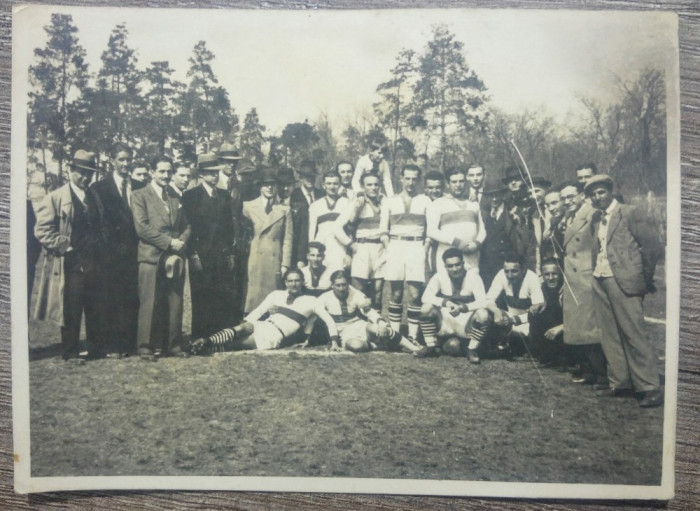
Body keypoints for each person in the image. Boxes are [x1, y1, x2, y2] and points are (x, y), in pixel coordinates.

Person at [586, 175, 664, 407]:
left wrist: (642, 277)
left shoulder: (630, 213)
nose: (597, 197)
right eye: (592, 194)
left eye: (601, 192)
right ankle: (621, 382)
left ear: (610, 191)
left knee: (633, 333)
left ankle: (649, 386)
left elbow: (652, 247)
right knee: (610, 334)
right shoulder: (595, 219)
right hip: (601, 278)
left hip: (624, 281)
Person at [34, 150, 105, 363]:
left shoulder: (94, 196)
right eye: (81, 173)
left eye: (89, 174)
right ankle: (71, 351)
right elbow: (42, 230)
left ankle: (95, 348)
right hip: (71, 263)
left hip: (94, 260)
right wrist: (65, 246)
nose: (86, 178)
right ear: (71, 171)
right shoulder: (56, 198)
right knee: (71, 308)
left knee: (94, 306)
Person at [189, 268, 340, 354]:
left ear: (302, 282)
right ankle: (205, 341)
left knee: (234, 344)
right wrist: (263, 315)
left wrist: (334, 342)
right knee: (242, 328)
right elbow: (258, 311)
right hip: (263, 324)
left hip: (274, 335)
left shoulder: (311, 301)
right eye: (290, 281)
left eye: (297, 280)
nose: (294, 284)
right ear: (285, 283)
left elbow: (328, 320)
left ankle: (200, 348)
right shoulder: (276, 294)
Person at [132, 156, 191, 361]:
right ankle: (145, 346)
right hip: (151, 256)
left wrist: (181, 242)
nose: (165, 175)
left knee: (175, 301)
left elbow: (186, 225)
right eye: (161, 171)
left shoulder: (175, 197)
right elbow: (142, 228)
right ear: (152, 172)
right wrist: (168, 242)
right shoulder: (139, 195)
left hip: (174, 258)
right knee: (149, 302)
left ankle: (173, 344)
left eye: (168, 171)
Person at [90, 143, 139, 357]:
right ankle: (111, 346)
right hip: (111, 254)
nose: (125, 164)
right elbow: (99, 223)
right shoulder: (100, 188)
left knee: (131, 299)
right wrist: (113, 247)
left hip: (136, 253)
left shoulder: (139, 185)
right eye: (121, 159)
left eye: (128, 159)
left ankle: (128, 343)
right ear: (113, 161)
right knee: (111, 299)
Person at [181, 153, 235, 339]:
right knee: (201, 296)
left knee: (220, 295)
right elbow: (188, 227)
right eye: (209, 173)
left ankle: (217, 337)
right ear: (201, 174)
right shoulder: (190, 196)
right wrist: (192, 254)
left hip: (220, 255)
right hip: (200, 256)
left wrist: (228, 253)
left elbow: (229, 228)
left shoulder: (224, 196)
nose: (214, 176)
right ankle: (200, 337)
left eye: (216, 172)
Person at [561, 174, 607, 386]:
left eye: (571, 196)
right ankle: (589, 369)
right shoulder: (570, 215)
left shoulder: (592, 213)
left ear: (581, 196)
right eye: (564, 198)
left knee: (591, 327)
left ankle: (601, 373)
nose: (567, 201)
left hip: (586, 274)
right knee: (579, 327)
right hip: (573, 276)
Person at [385, 164, 431, 344]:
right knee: (396, 294)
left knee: (414, 294)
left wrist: (424, 249)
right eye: (407, 178)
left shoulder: (425, 200)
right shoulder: (390, 200)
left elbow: (430, 230)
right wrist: (390, 249)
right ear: (401, 178)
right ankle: (395, 336)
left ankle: (412, 336)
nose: (411, 182)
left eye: (414, 179)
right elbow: (383, 231)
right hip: (395, 245)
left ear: (418, 180)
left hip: (416, 246)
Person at [318, 270, 419, 353]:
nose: (341, 288)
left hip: (359, 325)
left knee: (377, 328)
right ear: (332, 285)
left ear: (348, 284)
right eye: (338, 285)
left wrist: (382, 323)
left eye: (344, 285)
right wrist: (334, 341)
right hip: (343, 332)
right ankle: (378, 345)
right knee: (356, 346)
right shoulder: (324, 298)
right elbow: (323, 318)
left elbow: (369, 312)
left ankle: (414, 348)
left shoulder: (356, 294)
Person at [418, 248, 491, 361]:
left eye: (457, 265)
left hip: (466, 322)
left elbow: (483, 301)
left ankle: (472, 349)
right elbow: (425, 297)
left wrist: (463, 307)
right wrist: (446, 302)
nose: (455, 269)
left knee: (483, 314)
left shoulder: (473, 276)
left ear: (463, 263)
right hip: (446, 321)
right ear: (445, 267)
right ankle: (431, 346)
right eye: (450, 266)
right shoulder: (439, 276)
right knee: (426, 308)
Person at [335, 172, 388, 312]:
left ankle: (377, 326)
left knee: (378, 293)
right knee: (358, 290)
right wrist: (350, 244)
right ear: (363, 187)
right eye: (369, 185)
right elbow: (337, 227)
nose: (373, 188)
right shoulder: (357, 204)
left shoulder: (385, 203)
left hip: (380, 249)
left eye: (376, 184)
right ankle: (357, 323)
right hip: (362, 248)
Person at [242, 167, 293, 312]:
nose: (270, 188)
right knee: (253, 300)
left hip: (274, 261)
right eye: (266, 184)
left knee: (272, 302)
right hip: (254, 260)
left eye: (273, 184)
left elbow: (288, 240)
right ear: (259, 187)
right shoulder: (248, 207)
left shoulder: (284, 209)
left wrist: (285, 264)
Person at [485, 253, 545, 358]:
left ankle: (512, 347)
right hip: (509, 320)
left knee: (531, 335)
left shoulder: (532, 278)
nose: (509, 275)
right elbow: (489, 299)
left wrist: (514, 320)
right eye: (506, 271)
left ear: (523, 270)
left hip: (527, 323)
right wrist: (496, 312)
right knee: (486, 314)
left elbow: (538, 309)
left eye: (514, 271)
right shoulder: (501, 275)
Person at [426, 167, 485, 274]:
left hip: (471, 256)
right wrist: (457, 242)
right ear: (448, 184)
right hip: (448, 256)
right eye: (454, 182)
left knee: (470, 288)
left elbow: (482, 230)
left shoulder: (474, 204)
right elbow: (431, 231)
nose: (458, 185)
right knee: (448, 289)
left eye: (461, 181)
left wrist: (476, 244)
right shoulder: (438, 204)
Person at [479, 178, 528, 290]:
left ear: (502, 194)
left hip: (507, 263)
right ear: (486, 197)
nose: (494, 199)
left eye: (497, 195)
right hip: (488, 263)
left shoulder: (512, 211)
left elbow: (521, 236)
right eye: (491, 196)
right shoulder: (484, 213)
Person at [308, 171, 349, 271]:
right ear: (323, 185)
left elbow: (350, 230)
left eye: (335, 183)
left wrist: (348, 253)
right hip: (321, 247)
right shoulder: (315, 206)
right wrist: (312, 252)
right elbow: (311, 232)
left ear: (340, 185)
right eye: (329, 183)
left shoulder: (346, 203)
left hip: (340, 248)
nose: (332, 186)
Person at [529, 258, 566, 367]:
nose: (550, 278)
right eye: (547, 274)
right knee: (534, 313)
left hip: (570, 329)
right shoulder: (542, 289)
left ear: (561, 273)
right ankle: (548, 355)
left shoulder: (568, 289)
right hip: (555, 330)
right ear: (542, 275)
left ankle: (568, 358)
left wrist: (561, 327)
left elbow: (581, 318)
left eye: (554, 274)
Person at [423, 171, 445, 276]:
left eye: (438, 187)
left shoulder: (447, 202)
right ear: (425, 189)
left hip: (442, 244)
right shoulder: (421, 202)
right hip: (422, 246)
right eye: (430, 188)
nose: (434, 191)